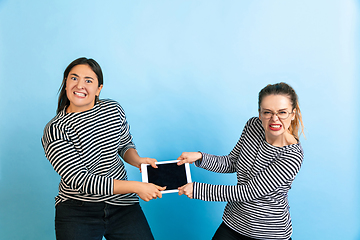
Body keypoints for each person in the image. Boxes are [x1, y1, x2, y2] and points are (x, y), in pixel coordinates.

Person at [41, 57, 165, 240]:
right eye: (73, 78)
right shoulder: (56, 129)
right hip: (78, 209)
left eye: (88, 80)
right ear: (65, 84)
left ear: (99, 88)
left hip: (122, 204)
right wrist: (137, 187)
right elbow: (82, 180)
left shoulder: (113, 109)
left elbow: (124, 144)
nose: (80, 85)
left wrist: (137, 160)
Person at [177, 82, 305, 240]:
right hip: (234, 223)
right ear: (260, 113)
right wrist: (200, 157)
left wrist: (198, 190)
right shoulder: (253, 126)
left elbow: (248, 192)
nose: (274, 119)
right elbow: (232, 162)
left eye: (282, 112)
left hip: (268, 233)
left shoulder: (291, 155)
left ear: (293, 114)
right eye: (267, 112)